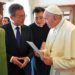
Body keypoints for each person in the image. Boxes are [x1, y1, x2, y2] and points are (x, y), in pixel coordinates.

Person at [41, 5, 75, 75]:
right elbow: (51, 49)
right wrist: (42, 52)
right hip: (53, 71)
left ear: (55, 17)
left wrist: (53, 61)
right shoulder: (52, 29)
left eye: (46, 18)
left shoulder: (71, 30)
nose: (45, 22)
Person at [2, 4, 33, 75]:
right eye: (20, 16)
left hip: (26, 69)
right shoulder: (3, 30)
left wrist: (28, 58)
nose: (23, 18)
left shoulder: (28, 29)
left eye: (24, 15)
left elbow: (31, 48)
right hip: (9, 69)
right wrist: (11, 58)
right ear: (12, 17)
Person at [29, 7, 50, 75]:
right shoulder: (29, 28)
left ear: (45, 16)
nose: (38, 20)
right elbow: (27, 43)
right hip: (35, 58)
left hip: (48, 57)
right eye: (36, 18)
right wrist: (33, 51)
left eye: (41, 17)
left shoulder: (50, 27)